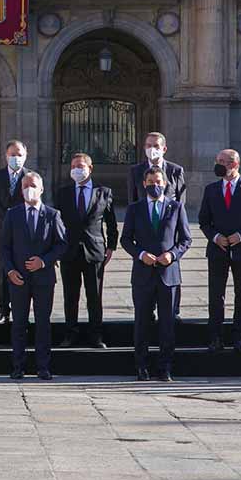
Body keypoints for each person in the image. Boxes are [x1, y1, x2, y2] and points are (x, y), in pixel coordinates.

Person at [121, 167, 191, 381]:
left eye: (158, 181)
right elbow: (125, 240)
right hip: (143, 274)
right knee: (142, 322)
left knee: (167, 323)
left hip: (168, 274)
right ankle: (141, 366)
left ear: (165, 182)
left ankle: (165, 367)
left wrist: (172, 255)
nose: (155, 185)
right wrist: (140, 254)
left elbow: (185, 239)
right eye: (151, 181)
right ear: (144, 184)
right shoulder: (135, 209)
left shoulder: (176, 207)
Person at [0, 171, 66, 381]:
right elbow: (4, 247)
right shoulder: (13, 214)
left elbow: (62, 244)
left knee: (43, 323)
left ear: (42, 189)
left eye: (33, 185)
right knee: (19, 323)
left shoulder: (52, 215)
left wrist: (43, 261)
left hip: (43, 278)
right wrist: (10, 271)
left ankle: (43, 367)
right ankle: (18, 366)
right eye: (26, 185)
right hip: (18, 278)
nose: (29, 189)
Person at [199, 148, 241, 354]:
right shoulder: (211, 189)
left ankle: (239, 337)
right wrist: (214, 237)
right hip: (217, 248)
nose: (219, 164)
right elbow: (203, 220)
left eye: (223, 161)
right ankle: (215, 337)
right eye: (217, 160)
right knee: (216, 294)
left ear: (235, 164)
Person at [55, 152, 118, 348]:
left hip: (95, 251)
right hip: (69, 251)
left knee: (94, 296)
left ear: (90, 169)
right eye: (74, 166)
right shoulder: (63, 192)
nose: (77, 169)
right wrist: (55, 248)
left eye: (81, 166)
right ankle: (70, 333)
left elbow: (111, 223)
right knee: (70, 296)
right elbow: (56, 223)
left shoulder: (104, 192)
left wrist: (111, 247)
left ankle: (96, 335)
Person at [127, 131, 187, 317]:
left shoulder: (175, 170)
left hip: (168, 234)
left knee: (170, 276)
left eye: (156, 146)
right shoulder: (136, 171)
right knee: (145, 279)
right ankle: (148, 310)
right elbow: (133, 201)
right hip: (146, 235)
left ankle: (172, 312)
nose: (152, 149)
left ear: (164, 149)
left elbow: (181, 202)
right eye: (148, 145)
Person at [0, 140, 30, 325]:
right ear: (6, 156)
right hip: (2, 230)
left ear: (25, 156)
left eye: (19, 155)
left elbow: (32, 201)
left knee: (22, 271)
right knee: (4, 270)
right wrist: (7, 219)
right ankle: (3, 310)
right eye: (12, 155)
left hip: (24, 232)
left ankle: (22, 313)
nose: (16, 158)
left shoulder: (30, 177)